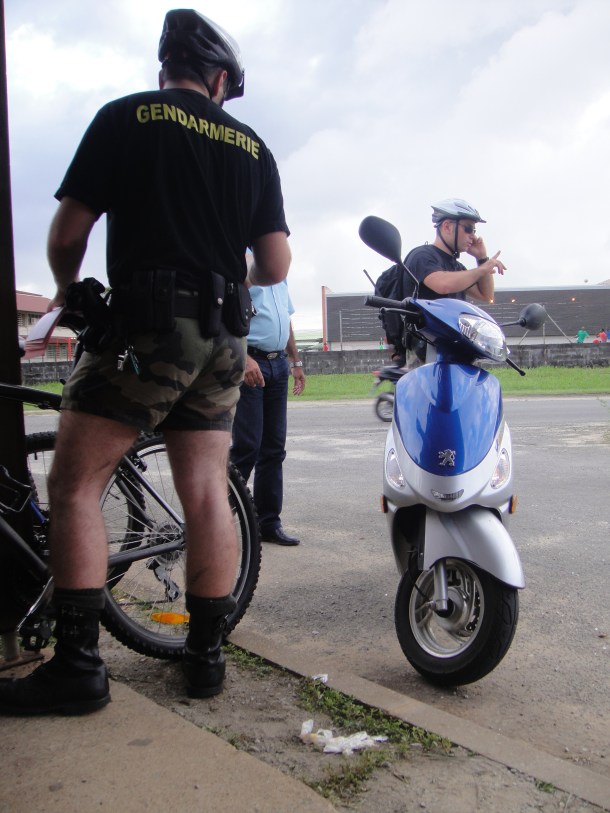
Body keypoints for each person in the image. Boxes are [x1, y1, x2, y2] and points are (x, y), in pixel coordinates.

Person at [0, 9, 291, 716]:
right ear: (220, 77)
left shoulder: (126, 117)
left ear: (169, 68)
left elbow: (70, 231)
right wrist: (226, 282)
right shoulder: (252, 146)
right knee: (205, 491)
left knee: (75, 482)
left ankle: (76, 666)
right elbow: (277, 261)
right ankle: (205, 659)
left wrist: (69, 292)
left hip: (145, 327)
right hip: (225, 335)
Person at [231, 279, 305, 546]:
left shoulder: (279, 275)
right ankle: (215, 519)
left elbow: (285, 320)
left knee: (274, 449)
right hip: (251, 362)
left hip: (278, 364)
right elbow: (228, 313)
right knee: (247, 446)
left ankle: (268, 523)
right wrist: (243, 357)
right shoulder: (244, 261)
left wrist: (295, 361)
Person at [387, 198, 506, 365]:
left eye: (474, 230)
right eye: (468, 229)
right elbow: (443, 284)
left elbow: (485, 294)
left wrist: (482, 258)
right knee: (428, 391)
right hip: (426, 349)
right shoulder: (422, 256)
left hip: (455, 346)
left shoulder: (457, 267)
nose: (473, 236)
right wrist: (482, 270)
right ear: (447, 226)